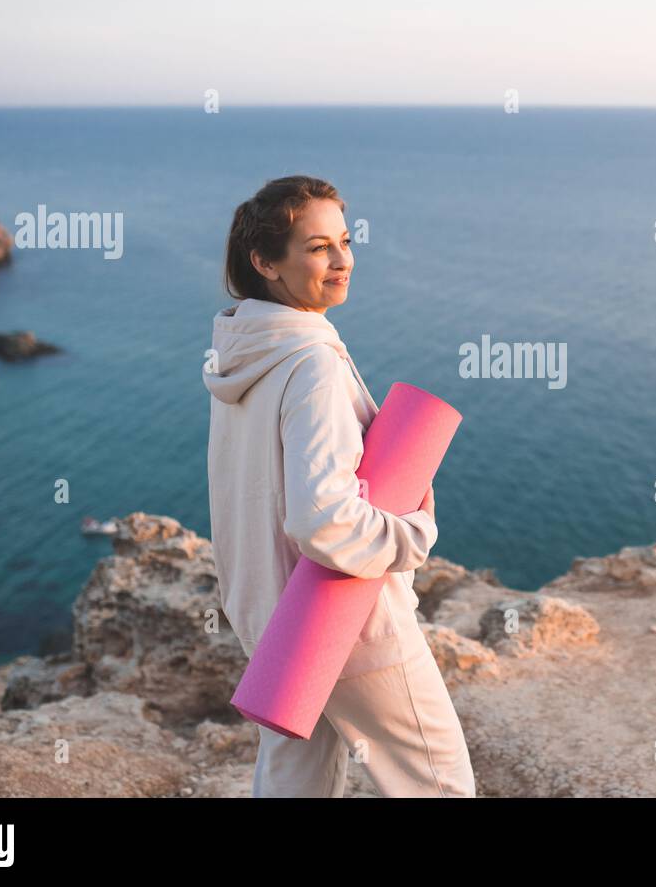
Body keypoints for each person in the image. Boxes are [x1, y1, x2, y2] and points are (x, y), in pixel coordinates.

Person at [204, 174, 476, 797]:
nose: (343, 258)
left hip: (271, 618)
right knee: (438, 783)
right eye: (318, 246)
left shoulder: (241, 355)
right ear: (265, 261)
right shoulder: (312, 364)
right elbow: (322, 516)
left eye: (345, 241)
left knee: (294, 785)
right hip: (343, 622)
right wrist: (412, 535)